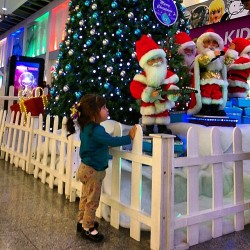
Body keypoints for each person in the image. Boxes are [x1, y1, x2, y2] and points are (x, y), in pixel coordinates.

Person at [66, 94, 137, 242]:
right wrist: (129, 137)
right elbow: (111, 141)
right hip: (93, 171)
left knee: (85, 197)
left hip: (85, 168)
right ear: (93, 112)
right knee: (92, 201)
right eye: (104, 107)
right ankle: (88, 227)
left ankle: (81, 221)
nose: (107, 109)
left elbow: (104, 142)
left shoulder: (87, 128)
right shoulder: (96, 130)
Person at [130, 34, 179, 136]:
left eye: (159, 59)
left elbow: (170, 85)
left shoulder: (167, 74)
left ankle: (162, 127)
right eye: (153, 60)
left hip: (162, 103)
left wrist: (172, 92)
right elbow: (135, 89)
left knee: (163, 114)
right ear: (146, 63)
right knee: (149, 117)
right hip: (149, 105)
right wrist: (147, 94)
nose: (157, 62)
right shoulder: (141, 77)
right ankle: (149, 128)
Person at [191, 29, 238, 116]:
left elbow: (226, 63)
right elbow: (203, 62)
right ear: (203, 44)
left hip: (218, 80)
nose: (211, 44)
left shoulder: (221, 57)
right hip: (206, 79)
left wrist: (230, 52)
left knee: (217, 94)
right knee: (206, 94)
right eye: (208, 42)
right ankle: (206, 108)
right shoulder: (201, 56)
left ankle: (216, 109)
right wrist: (212, 55)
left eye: (214, 42)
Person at [174, 32, 197, 113]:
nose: (189, 52)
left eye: (192, 50)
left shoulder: (195, 69)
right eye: (187, 50)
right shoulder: (174, 70)